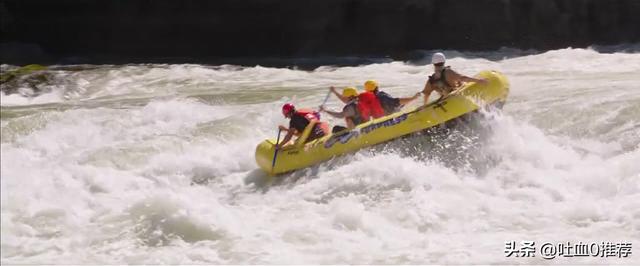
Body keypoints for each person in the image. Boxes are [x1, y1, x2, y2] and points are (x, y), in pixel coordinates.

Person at [422, 52, 488, 105]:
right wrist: (479, 81)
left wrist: (425, 106)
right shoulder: (448, 72)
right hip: (455, 99)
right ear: (444, 61)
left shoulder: (431, 80)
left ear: (433, 64)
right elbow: (463, 78)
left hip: (444, 101)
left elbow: (426, 94)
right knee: (460, 83)